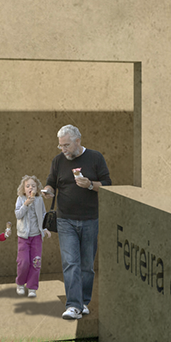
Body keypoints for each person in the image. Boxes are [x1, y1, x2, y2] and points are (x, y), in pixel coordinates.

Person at [41, 124, 111, 320]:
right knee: (71, 263)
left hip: (90, 219)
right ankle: (73, 305)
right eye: (61, 146)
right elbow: (51, 182)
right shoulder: (58, 161)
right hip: (65, 221)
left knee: (87, 265)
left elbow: (107, 185)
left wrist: (89, 185)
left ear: (78, 141)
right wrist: (48, 191)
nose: (63, 149)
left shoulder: (95, 158)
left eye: (67, 145)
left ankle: (83, 302)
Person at [14, 175, 51, 298]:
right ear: (23, 189)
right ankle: (20, 283)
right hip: (23, 237)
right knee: (23, 262)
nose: (30, 188)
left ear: (37, 189)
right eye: (27, 186)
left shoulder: (39, 200)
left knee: (36, 262)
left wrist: (45, 229)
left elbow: (43, 215)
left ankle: (32, 287)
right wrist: (26, 204)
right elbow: (18, 215)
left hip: (36, 237)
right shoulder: (20, 199)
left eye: (33, 186)